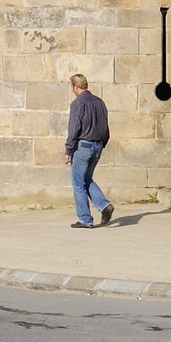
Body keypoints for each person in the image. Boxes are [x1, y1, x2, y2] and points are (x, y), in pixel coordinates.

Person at [63, 70, 114, 228]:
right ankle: (104, 206)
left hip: (83, 146)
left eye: (72, 87)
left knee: (78, 183)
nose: (72, 90)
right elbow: (105, 126)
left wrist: (68, 150)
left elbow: (74, 129)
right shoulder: (100, 102)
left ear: (75, 87)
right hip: (98, 145)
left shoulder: (77, 104)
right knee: (86, 179)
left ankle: (85, 219)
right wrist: (102, 144)